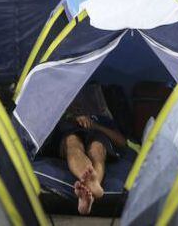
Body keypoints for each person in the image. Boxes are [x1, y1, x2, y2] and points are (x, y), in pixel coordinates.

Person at [42, 84, 126, 215]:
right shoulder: (63, 115)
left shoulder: (103, 118)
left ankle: (91, 187)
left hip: (97, 133)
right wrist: (72, 117)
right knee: (72, 142)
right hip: (70, 130)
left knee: (97, 148)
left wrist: (95, 126)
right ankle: (92, 185)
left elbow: (121, 141)